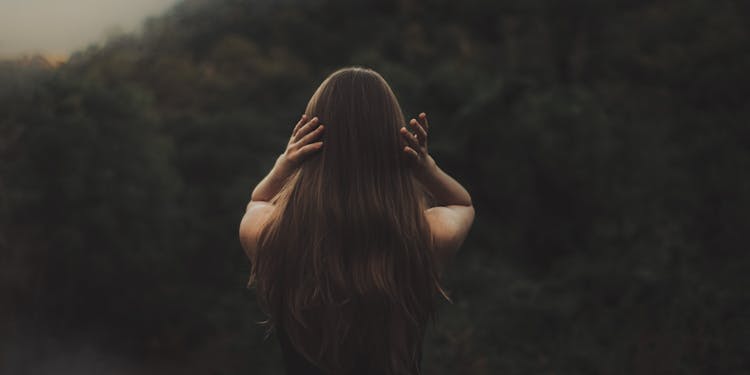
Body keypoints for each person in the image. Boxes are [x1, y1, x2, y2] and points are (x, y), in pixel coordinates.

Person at [239, 67, 474, 375]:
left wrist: (283, 165)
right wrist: (426, 168)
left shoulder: (271, 236)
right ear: (392, 146)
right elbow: (462, 203)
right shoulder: (425, 236)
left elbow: (257, 201)